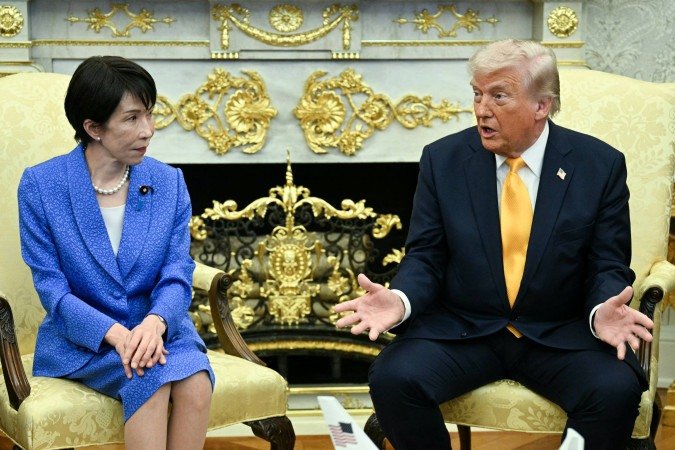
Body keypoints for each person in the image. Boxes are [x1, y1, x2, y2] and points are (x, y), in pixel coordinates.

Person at [335, 39, 654, 450]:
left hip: (558, 332)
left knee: (614, 389)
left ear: (541, 105)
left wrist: (600, 311)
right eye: (477, 94)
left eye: (498, 96)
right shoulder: (443, 160)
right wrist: (401, 299)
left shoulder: (598, 165)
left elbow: (607, 263)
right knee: (394, 377)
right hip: (466, 330)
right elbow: (427, 255)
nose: (481, 109)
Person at [18, 56, 214, 450]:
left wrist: (155, 323)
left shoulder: (169, 182)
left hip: (158, 329)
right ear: (93, 128)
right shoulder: (41, 186)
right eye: (132, 118)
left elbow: (177, 270)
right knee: (150, 379)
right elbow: (52, 289)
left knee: (196, 384)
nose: (148, 130)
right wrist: (117, 335)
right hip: (85, 340)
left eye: (149, 114)